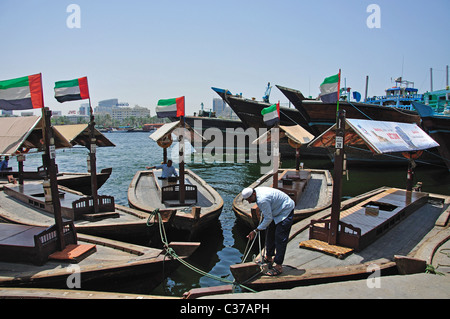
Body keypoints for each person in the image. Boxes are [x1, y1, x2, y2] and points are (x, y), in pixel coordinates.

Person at [242, 186, 295, 276]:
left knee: (280, 238)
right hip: (276, 211)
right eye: (247, 200)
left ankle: (278, 266)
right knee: (270, 234)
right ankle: (269, 257)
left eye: (249, 199)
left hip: (285, 210)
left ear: (254, 194)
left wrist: (255, 231)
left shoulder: (262, 200)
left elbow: (268, 219)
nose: (249, 202)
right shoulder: (257, 193)